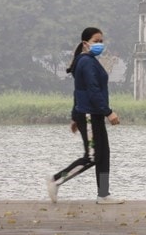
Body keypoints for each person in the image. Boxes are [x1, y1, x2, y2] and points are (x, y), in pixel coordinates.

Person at [46, 27, 124, 204]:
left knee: (103, 155)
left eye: (102, 41)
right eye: (96, 41)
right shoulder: (86, 62)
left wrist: (74, 116)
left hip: (91, 114)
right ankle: (56, 180)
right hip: (90, 114)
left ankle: (103, 194)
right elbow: (92, 90)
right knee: (92, 157)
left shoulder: (88, 61)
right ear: (85, 43)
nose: (100, 44)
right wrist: (108, 112)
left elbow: (78, 92)